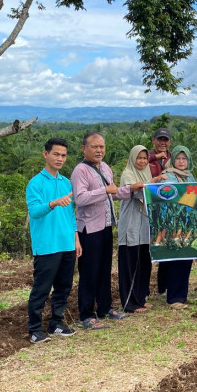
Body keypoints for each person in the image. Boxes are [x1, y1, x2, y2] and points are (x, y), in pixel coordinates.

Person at [70, 131, 132, 329]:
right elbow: (80, 198)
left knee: (105, 269)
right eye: (94, 146)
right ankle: (86, 315)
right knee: (89, 272)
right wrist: (104, 190)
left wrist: (132, 189)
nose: (99, 150)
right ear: (84, 148)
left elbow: (112, 195)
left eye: (102, 146)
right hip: (89, 229)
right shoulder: (80, 171)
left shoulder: (105, 167)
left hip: (105, 226)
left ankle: (104, 308)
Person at [25, 138, 81, 343]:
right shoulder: (36, 183)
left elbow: (71, 215)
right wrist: (53, 203)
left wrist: (76, 238)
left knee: (63, 287)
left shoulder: (66, 182)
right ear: (45, 154)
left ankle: (56, 322)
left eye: (63, 155)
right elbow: (35, 212)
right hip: (47, 245)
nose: (60, 158)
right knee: (41, 288)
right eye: (56, 154)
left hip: (66, 243)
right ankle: (34, 329)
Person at [118, 145, 165, 314]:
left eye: (145, 158)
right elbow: (138, 193)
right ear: (132, 158)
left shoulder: (146, 174)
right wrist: (152, 183)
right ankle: (129, 303)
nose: (142, 161)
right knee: (130, 265)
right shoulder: (128, 174)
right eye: (139, 158)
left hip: (144, 226)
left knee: (144, 263)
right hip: (131, 225)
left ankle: (141, 298)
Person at [159, 145, 197, 309]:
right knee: (176, 260)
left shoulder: (190, 177)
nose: (181, 162)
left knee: (186, 260)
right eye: (178, 158)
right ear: (173, 159)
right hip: (173, 224)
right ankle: (173, 298)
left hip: (188, 224)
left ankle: (182, 296)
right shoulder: (167, 176)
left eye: (184, 158)